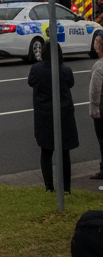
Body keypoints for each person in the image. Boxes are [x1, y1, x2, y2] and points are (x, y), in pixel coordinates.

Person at [27, 29, 79, 192]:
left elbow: (31, 83)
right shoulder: (65, 70)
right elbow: (70, 84)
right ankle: (66, 188)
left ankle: (49, 186)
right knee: (64, 152)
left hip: (44, 114)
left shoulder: (37, 69)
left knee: (46, 151)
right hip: (63, 113)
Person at [90, 34, 103, 180]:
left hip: (101, 109)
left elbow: (94, 92)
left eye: (96, 41)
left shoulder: (99, 67)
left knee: (102, 140)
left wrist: (94, 110)